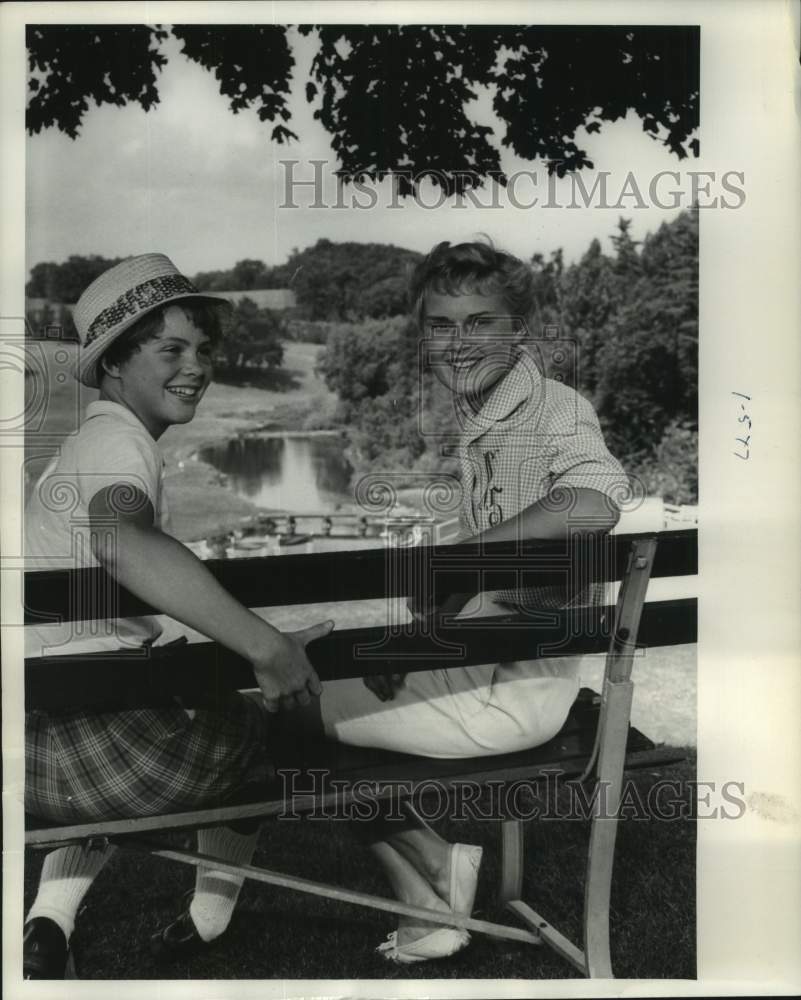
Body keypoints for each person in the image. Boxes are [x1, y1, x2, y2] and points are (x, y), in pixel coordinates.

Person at [311, 238, 630, 960]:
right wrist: (418, 641)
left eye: (478, 322)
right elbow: (490, 588)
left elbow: (594, 501)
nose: (457, 343)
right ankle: (437, 869)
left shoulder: (551, 409)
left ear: (518, 326)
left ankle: (426, 901)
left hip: (512, 701)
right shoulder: (487, 418)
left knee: (287, 696)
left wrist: (462, 556)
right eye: (441, 325)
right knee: (321, 668)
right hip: (496, 672)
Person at [22, 254, 334, 977]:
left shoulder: (83, 446)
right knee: (281, 730)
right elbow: (121, 539)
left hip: (34, 749)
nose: (196, 367)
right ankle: (209, 916)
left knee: (197, 698)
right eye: (170, 350)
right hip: (91, 761)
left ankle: (52, 921)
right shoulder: (116, 445)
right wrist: (269, 647)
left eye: (203, 350)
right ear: (114, 365)